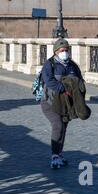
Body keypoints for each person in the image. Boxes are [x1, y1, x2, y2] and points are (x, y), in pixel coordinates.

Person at [41, 38, 84, 169]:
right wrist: (64, 88)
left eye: (66, 50)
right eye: (62, 50)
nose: (64, 52)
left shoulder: (72, 65)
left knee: (63, 127)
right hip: (50, 102)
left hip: (66, 103)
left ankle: (59, 153)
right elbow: (49, 82)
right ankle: (54, 155)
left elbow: (80, 80)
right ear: (55, 52)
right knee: (58, 125)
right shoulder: (49, 64)